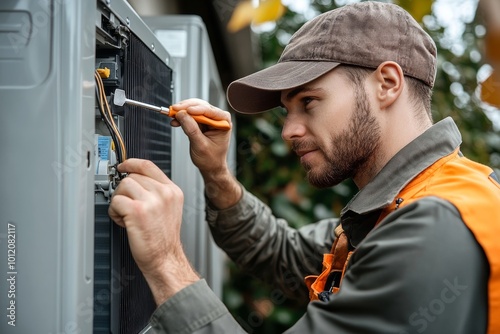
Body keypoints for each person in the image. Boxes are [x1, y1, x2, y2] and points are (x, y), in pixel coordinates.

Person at [108, 2, 500, 333]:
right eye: (286, 111)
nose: (289, 132)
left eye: (309, 102)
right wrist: (217, 174)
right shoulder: (407, 203)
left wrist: (165, 262)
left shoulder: (430, 228)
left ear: (387, 83)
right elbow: (284, 254)